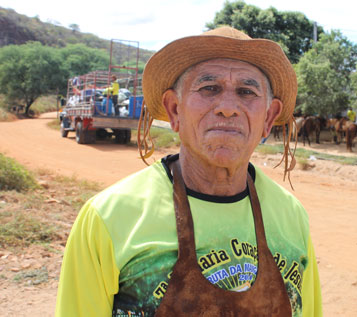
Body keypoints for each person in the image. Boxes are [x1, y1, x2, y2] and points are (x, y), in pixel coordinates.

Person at [56, 26, 322, 316]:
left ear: (268, 117)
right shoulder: (108, 219)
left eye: (247, 91)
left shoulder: (292, 217)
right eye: (209, 89)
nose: (228, 108)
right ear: (174, 110)